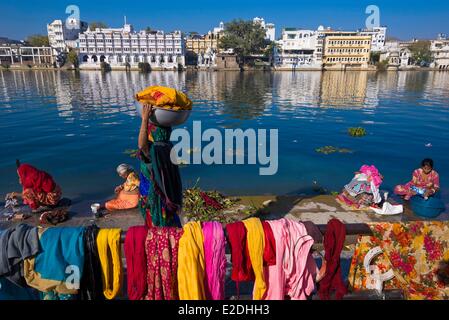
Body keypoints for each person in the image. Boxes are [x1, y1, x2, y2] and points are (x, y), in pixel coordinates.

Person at [137, 104, 183, 227]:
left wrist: (145, 119)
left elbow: (142, 145)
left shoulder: (154, 150)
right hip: (169, 197)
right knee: (172, 226)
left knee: (158, 229)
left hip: (154, 199)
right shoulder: (168, 146)